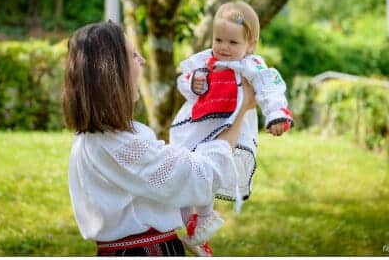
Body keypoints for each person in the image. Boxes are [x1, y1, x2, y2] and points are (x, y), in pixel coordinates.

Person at [62, 20, 257, 256]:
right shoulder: (121, 145)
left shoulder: (98, 138)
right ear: (112, 70)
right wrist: (240, 109)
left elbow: (172, 176)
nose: (142, 60)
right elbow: (202, 177)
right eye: (133, 55)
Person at [169, 1, 293, 256]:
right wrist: (194, 82)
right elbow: (183, 77)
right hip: (197, 125)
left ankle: (203, 218)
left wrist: (276, 114)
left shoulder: (252, 65)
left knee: (209, 170)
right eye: (219, 40)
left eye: (233, 43)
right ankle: (189, 228)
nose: (224, 48)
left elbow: (270, 88)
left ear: (251, 45)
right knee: (182, 174)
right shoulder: (205, 60)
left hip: (228, 126)